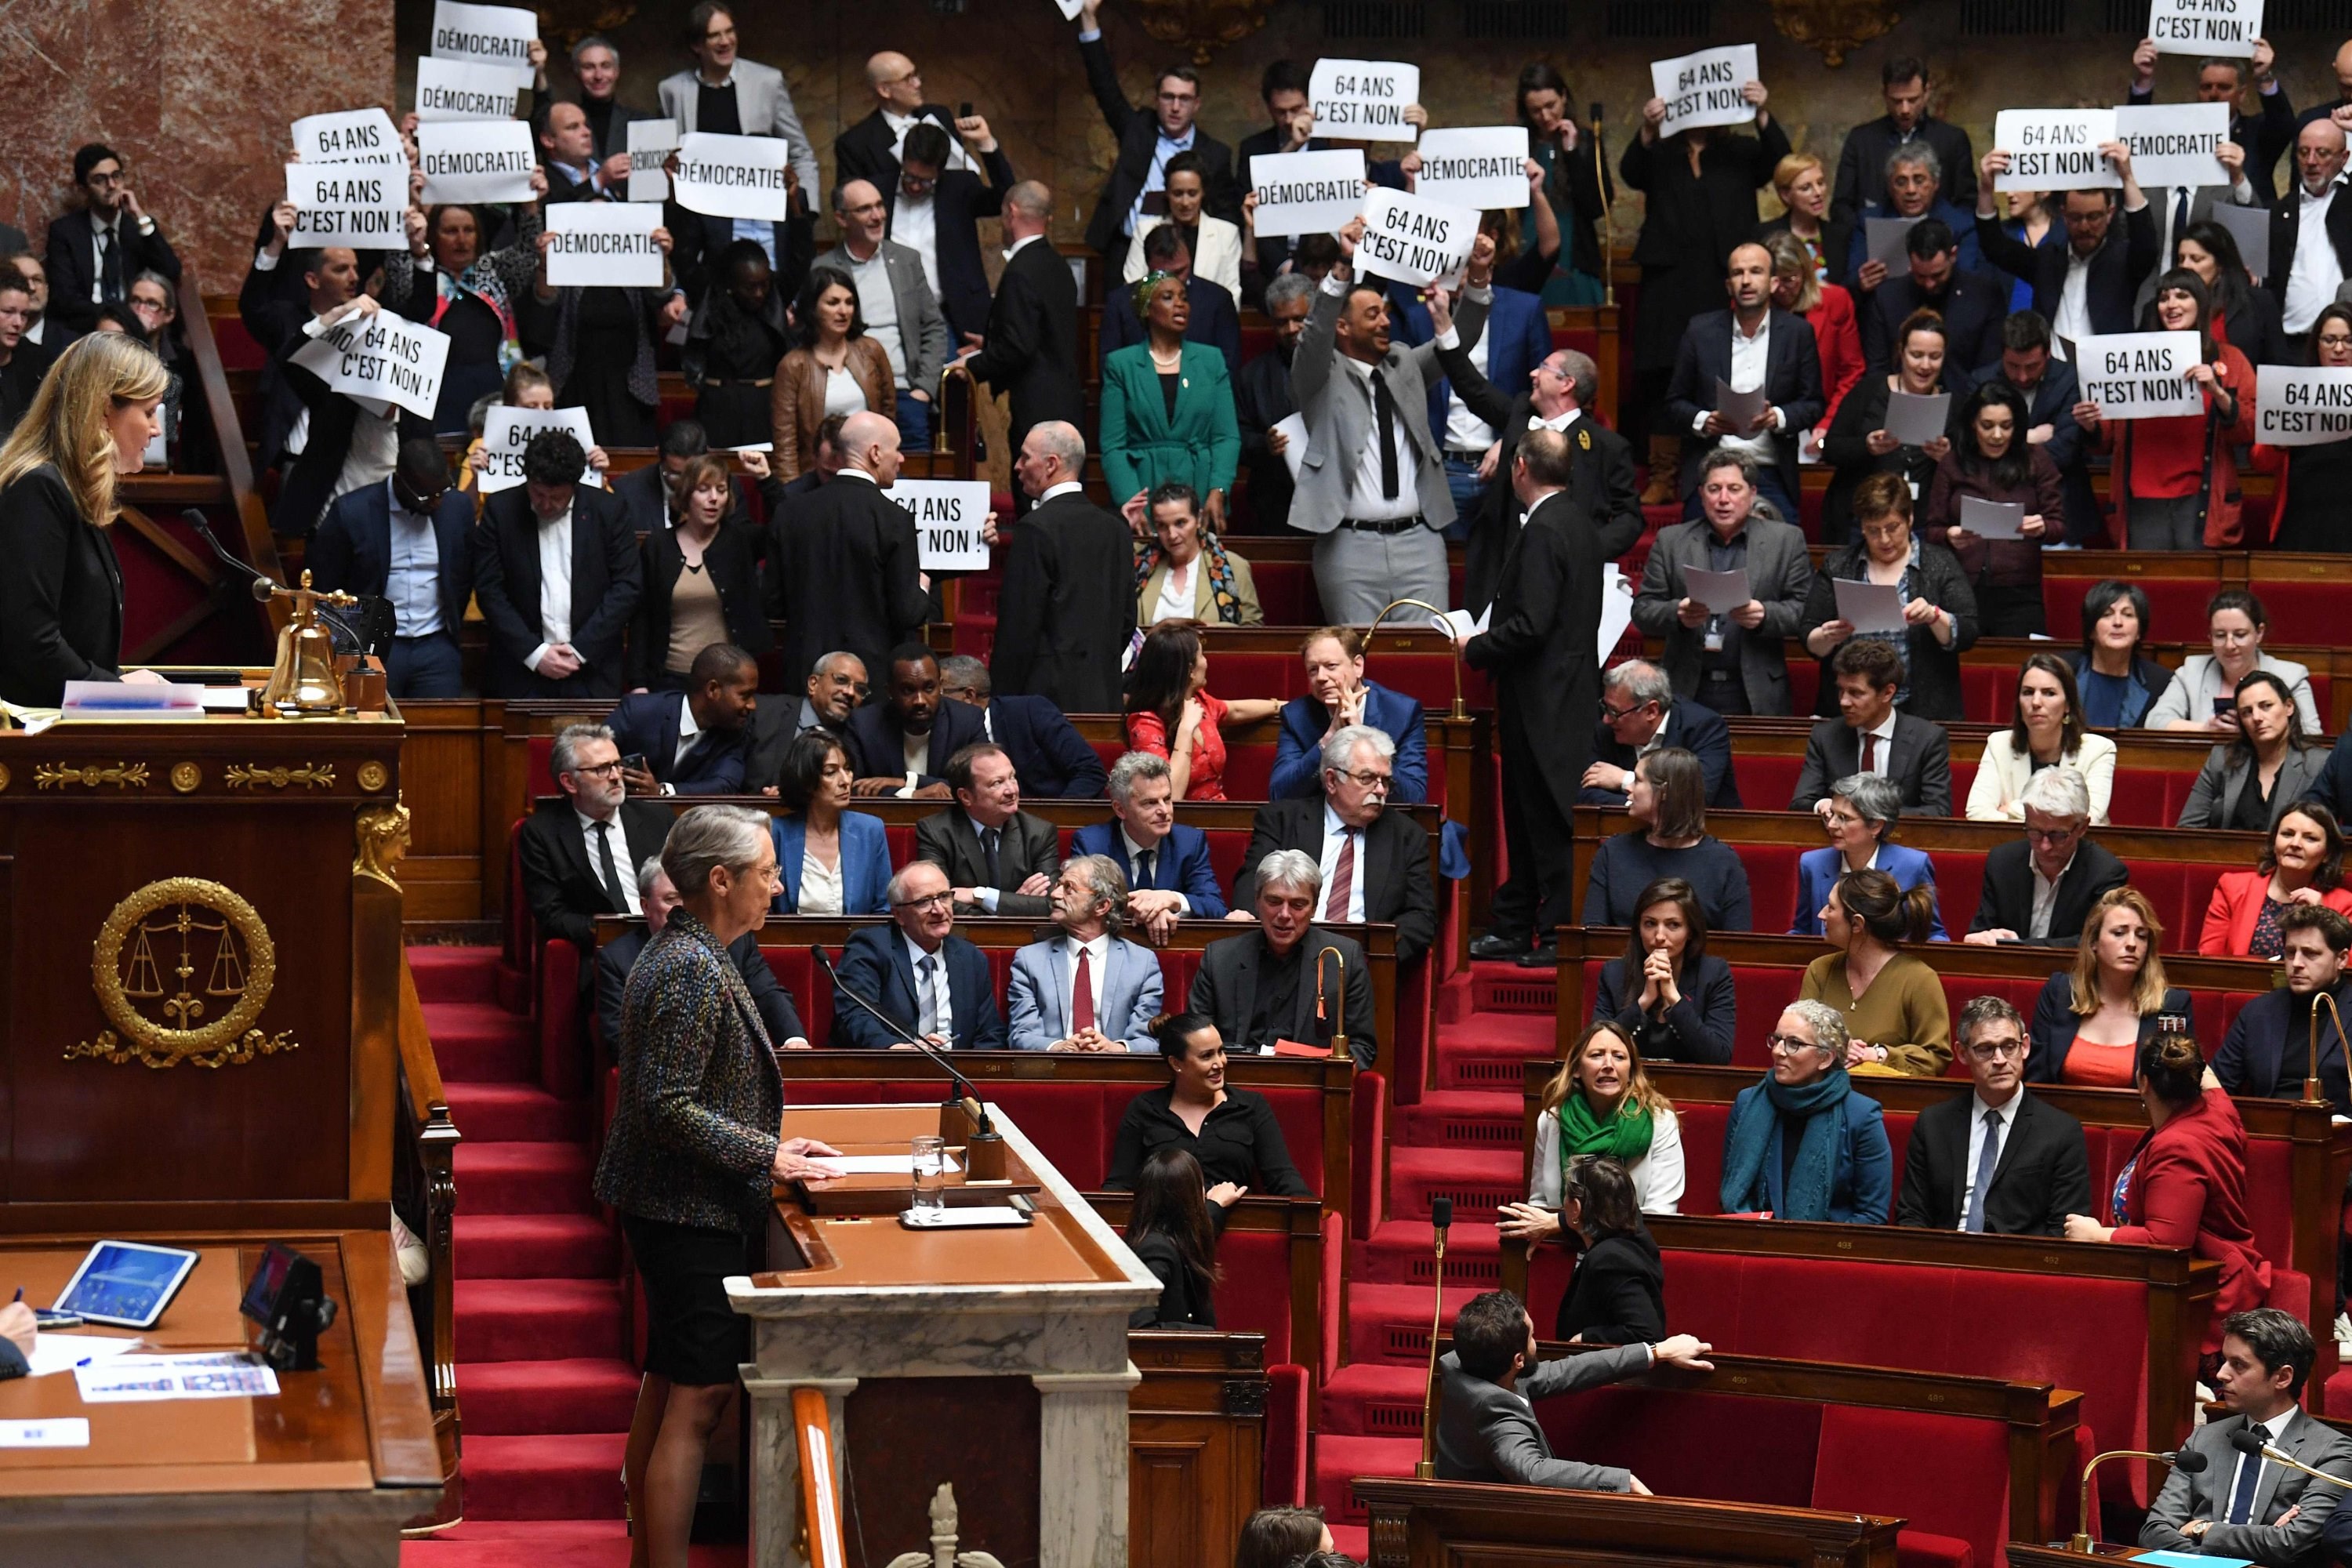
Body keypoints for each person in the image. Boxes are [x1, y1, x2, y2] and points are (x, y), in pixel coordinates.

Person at [592, 806, 844, 1568]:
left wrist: (771, 1146)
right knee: (697, 1401)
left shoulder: (698, 953)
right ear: (721, 879)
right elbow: (666, 1105)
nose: (778, 884)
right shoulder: (691, 967)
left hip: (680, 1200)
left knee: (668, 1379)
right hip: (683, 1209)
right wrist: (769, 1156)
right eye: (767, 871)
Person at [1287, 227, 1488, 622]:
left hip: (1421, 543)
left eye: (1385, 312)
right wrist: (1343, 267)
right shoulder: (1318, 375)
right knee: (1357, 668)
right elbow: (1314, 335)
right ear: (1343, 328)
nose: (1385, 322)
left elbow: (1457, 343)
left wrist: (1479, 279)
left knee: (1424, 659)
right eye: (1372, 314)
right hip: (1349, 545)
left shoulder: (1404, 363)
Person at [1620, 74, 1791, 508]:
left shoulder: (1739, 151)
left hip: (1721, 276)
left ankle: (1722, 467)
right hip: (1668, 277)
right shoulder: (1661, 152)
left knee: (1717, 366)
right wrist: (1648, 128)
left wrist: (1762, 111)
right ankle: (1663, 472)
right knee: (1661, 369)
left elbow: (1779, 160)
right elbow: (1630, 172)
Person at [1423, 294, 1639, 619]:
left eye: (1544, 368)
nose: (1533, 375)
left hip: (1565, 580)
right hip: (1502, 570)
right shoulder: (1519, 416)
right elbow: (1472, 387)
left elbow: (1630, 517)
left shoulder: (1605, 446)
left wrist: (1587, 546)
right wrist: (1443, 324)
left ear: (1567, 384)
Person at [2063, 1033, 2270, 1356]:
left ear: (2143, 1082)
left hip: (2201, 1300)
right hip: (2208, 1281)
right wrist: (2179, 1045)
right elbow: (2210, 1079)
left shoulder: (2176, 1149)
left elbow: (2167, 1240)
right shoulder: (2218, 1109)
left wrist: (2098, 1235)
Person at [0, 332, 169, 705]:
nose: (157, 429)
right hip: (32, 747)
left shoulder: (71, 490)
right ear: (106, 409)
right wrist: (117, 694)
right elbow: (31, 642)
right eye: (148, 411)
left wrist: (117, 684)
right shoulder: (38, 488)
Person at [1435, 1288, 1715, 1491]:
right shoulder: (1493, 1413)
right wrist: (1622, 1481)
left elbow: (1566, 1371)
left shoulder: (1469, 1361)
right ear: (1518, 1360)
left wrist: (1656, 1351)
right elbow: (1533, 1472)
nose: (1537, 1341)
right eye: (1532, 1336)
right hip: (1485, 1529)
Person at [2153, 1309, 2352, 1566]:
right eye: (2225, 1361)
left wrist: (2203, 1529)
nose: (2222, 1374)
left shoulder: (2332, 1452)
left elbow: (2290, 1543)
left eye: (2238, 1365)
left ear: (2282, 1377)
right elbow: (2156, 1531)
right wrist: (2212, 1562)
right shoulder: (2204, 1438)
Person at [1232, 726, 1439, 968]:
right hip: (1284, 956)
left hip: (1365, 965)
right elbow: (1252, 883)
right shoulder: (1282, 821)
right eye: (1367, 778)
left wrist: (1377, 954)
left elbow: (1421, 916)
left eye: (1385, 781)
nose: (1381, 790)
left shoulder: (1406, 836)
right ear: (1332, 780)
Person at [1632, 450, 1816, 717]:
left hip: (1755, 686)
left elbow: (1806, 611)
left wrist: (1765, 615)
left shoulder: (1785, 541)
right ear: (1701, 493)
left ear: (1752, 493)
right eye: (1714, 489)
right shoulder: (1672, 541)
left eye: (1734, 489)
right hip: (1688, 684)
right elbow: (1643, 611)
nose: (1723, 500)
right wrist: (1678, 613)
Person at [2084, 269, 2256, 549]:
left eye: (2182, 296)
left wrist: (2218, 392)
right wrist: (2091, 423)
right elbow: (2105, 439)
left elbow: (2252, 426)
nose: (2171, 304)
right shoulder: (2129, 358)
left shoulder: (2230, 359)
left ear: (2201, 304)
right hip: (2141, 497)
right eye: (2164, 298)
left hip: (2200, 497)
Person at [1895, 996, 2091, 1234]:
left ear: (2025, 1046)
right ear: (1962, 1053)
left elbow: (2062, 1227)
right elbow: (1912, 1215)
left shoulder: (2061, 1132)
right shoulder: (1933, 1124)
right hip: (1945, 1258)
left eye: (2009, 1046)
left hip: (2019, 1264)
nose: (2000, 1060)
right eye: (1985, 1049)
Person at [471, 430, 642, 699]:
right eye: (538, 494)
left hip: (592, 672)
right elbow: (489, 590)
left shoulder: (608, 510)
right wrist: (535, 653)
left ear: (574, 485)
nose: (546, 505)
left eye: (557, 497)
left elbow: (626, 587)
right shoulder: (501, 509)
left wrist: (580, 650)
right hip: (520, 671)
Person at [1662, 241, 1824, 522]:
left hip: (1770, 472)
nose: (1746, 281)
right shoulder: (1700, 331)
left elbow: (1813, 403)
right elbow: (1674, 402)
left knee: (1785, 554)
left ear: (1773, 283)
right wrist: (1704, 420)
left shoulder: (1797, 333)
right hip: (1713, 467)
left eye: (1756, 271)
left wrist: (1779, 417)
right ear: (1728, 285)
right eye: (1738, 273)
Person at [773, 411, 931, 693]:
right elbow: (907, 614)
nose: (902, 458)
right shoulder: (894, 520)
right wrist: (922, 587)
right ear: (875, 453)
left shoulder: (789, 513)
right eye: (898, 449)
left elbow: (771, 601)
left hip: (805, 676)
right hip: (869, 682)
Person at [1798, 474, 1976, 721]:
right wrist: (1828, 636)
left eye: (1893, 528)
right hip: (1851, 710)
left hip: (1923, 709)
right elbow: (1809, 638)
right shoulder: (1838, 565)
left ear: (1909, 519)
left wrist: (1935, 617)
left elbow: (1967, 632)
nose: (1884, 540)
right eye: (1873, 531)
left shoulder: (1940, 563)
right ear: (1861, 526)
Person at [306, 437, 473, 700]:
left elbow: (462, 577)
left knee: (441, 728)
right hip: (372, 646)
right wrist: (348, 652)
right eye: (427, 496)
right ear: (399, 480)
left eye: (442, 492)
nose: (437, 503)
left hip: (436, 646)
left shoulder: (457, 508)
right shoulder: (352, 512)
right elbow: (328, 587)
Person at [597, 855, 808, 1057]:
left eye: (686, 899)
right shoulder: (618, 959)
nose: (681, 908)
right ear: (646, 906)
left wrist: (793, 1038)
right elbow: (619, 1038)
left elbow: (768, 992)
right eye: (671, 899)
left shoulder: (735, 942)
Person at [1071, 0, 1236, 256]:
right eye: (1169, 97)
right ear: (1156, 100)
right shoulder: (1137, 129)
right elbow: (1104, 86)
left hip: (1184, 254)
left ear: (1197, 105)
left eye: (1185, 99)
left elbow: (1226, 215)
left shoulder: (1215, 154)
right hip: (1126, 250)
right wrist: (1089, 19)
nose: (1175, 107)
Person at [991, 423, 1135, 713]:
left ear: (1051, 465)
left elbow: (1018, 630)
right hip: (1104, 696)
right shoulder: (1116, 529)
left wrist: (998, 701)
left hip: (1044, 704)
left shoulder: (1034, 529)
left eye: (1025, 457)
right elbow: (1127, 622)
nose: (1018, 467)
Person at [1188, 849, 1376, 1066]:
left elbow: (1362, 1048)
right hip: (1231, 1082)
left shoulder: (1344, 958)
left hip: (1309, 1086)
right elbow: (1194, 1041)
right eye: (1274, 901)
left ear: (1314, 908)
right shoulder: (1220, 958)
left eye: (1298, 905)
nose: (1285, 915)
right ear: (1257, 901)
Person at [1719, 1000, 1893, 1223]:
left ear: (1826, 1058)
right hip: (1755, 1244)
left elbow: (1872, 1216)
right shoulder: (1747, 1103)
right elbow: (1731, 1191)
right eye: (1777, 1040)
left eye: (1794, 1044)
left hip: (1827, 1250)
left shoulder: (1862, 1116)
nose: (1779, 1052)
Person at [1104, 1012, 1311, 1195]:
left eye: (1220, 1051)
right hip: (1166, 1229)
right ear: (1176, 1063)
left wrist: (1309, 1212)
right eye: (1206, 1056)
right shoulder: (1145, 1109)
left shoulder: (1251, 1106)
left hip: (1234, 1224)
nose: (1219, 1063)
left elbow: (1281, 1177)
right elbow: (1120, 1184)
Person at [1515, 1019, 1689, 1233]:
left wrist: (1563, 1224)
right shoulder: (1552, 1120)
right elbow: (1540, 1203)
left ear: (1631, 1070)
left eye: (1619, 1056)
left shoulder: (1660, 1122)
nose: (1609, 1065)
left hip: (1630, 1253)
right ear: (1577, 1068)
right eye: (1597, 1055)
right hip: (1564, 1247)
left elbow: (1660, 1216)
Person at [1973, 150, 2159, 347]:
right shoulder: (2046, 260)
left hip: (2105, 370)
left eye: (2094, 216)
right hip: (2054, 371)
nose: (2085, 227)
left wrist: (2127, 178)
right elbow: (1994, 246)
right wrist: (1986, 188)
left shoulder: (2123, 261)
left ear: (2110, 214)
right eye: (2076, 218)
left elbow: (2146, 244)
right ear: (2064, 215)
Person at [960, 180, 1084, 474]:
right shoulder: (1057, 264)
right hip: (1066, 402)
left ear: (1011, 213)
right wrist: (991, 343)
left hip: (1035, 409)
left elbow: (1018, 347)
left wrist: (970, 365)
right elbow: (1045, 332)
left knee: (1034, 493)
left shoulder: (1020, 270)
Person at [1922, 380, 2063, 637]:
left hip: (2020, 591)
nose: (1997, 435)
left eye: (2006, 426)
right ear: (1973, 424)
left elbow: (2058, 526)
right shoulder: (1953, 463)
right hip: (1960, 587)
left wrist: (2041, 527)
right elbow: (1932, 529)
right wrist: (1949, 535)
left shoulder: (2037, 459)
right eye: (1987, 426)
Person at [518, 723, 673, 956]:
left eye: (617, 765)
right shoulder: (542, 833)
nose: (615, 776)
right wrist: (617, 935)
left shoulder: (657, 819)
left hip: (667, 943)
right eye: (602, 769)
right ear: (569, 782)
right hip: (601, 953)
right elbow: (553, 916)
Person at [1101, 273, 1240, 530]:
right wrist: (1132, 501)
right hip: (1143, 489)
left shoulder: (1211, 361)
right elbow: (1113, 445)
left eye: (1184, 298)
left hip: (1200, 489)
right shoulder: (1121, 364)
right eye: (1168, 297)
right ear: (1147, 310)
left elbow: (1226, 437)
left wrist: (1218, 490)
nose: (1180, 304)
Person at [817, 181, 948, 449]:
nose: (877, 216)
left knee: (912, 483)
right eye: (865, 209)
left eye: (879, 205)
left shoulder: (906, 260)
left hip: (906, 396)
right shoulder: (824, 268)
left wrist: (923, 389)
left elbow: (934, 326)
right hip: (851, 397)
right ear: (842, 218)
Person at [827, 860, 1008, 1051]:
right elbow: (855, 1015)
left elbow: (990, 1033)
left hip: (955, 1072)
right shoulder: (870, 948)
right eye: (924, 902)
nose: (939, 910)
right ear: (899, 915)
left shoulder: (970, 958)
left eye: (944, 897)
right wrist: (895, 1047)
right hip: (892, 1070)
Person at [1820, 309, 1962, 546]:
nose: (1925, 365)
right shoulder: (1869, 391)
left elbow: (1969, 469)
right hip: (1864, 519)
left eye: (1934, 356)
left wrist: (1947, 457)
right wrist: (1867, 447)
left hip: (1922, 523)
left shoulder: (1954, 405)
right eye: (1916, 355)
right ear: (1902, 353)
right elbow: (1832, 447)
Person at [631, 454, 770, 694]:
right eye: (703, 490)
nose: (714, 499)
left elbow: (786, 524)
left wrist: (765, 479)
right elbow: (642, 617)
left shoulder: (740, 541)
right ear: (686, 495)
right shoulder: (659, 546)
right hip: (669, 679)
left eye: (721, 490)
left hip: (729, 681)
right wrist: (638, 683)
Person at [2031, 887, 2192, 1086]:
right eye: (2119, 933)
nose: (2132, 943)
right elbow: (2036, 1077)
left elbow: (2176, 1085)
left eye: (2141, 936)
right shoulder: (2060, 993)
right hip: (2059, 1114)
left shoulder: (2171, 1006)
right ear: (2094, 942)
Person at [654, 2, 820, 196]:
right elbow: (663, 160)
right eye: (714, 35)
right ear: (696, 45)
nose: (725, 41)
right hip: (698, 213)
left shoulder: (767, 82)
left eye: (729, 31)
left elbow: (800, 153)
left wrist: (806, 206)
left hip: (755, 208)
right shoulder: (671, 91)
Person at [1799, 869, 1952, 1077]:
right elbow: (1797, 1041)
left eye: (1831, 908)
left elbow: (1936, 1058)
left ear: (1857, 924)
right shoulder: (1819, 970)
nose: (1821, 915)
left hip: (1890, 1101)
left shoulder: (1919, 979)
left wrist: (1878, 1054)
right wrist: (1836, 1050)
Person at [1584, 748, 1752, 933]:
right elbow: (1593, 936)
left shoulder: (1723, 862)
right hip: (1626, 961)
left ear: (1664, 791)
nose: (1629, 788)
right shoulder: (1613, 852)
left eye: (1638, 780)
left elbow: (1738, 945)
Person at [1969, 309, 2100, 545]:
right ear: (2002, 356)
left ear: (2047, 354)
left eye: (2031, 366)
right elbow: (1972, 448)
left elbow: (2064, 452)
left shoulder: (2071, 379)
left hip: (2058, 513)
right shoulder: (1981, 381)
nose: (2021, 376)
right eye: (2013, 366)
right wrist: (2029, 437)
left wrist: (2000, 445)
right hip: (1994, 510)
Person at [1007, 856, 1163, 1053]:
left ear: (1101, 906)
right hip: (1053, 1071)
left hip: (1116, 1069)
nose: (1054, 894)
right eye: (1058, 885)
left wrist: (1115, 1048)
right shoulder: (1030, 960)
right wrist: (1059, 1047)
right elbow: (1021, 1035)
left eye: (1069, 888)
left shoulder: (1142, 963)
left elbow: (1149, 1040)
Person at [1788, 638, 1956, 815]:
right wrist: (1822, 804)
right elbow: (1801, 803)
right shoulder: (1825, 736)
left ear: (1887, 693)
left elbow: (1938, 811)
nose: (1844, 701)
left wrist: (1869, 817)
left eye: (1856, 693)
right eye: (1841, 690)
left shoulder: (1927, 739)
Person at [1072, 751, 1229, 940]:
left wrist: (1170, 899)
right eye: (1150, 803)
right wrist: (1148, 910)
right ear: (1120, 809)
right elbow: (1081, 906)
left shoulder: (1189, 842)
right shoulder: (1092, 844)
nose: (1164, 810)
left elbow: (1215, 906)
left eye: (1167, 799)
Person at [1965, 767, 2129, 946]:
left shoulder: (2106, 873)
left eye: (2058, 835)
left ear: (2082, 827)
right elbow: (1980, 930)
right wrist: (1982, 938)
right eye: (2035, 832)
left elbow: (2095, 942)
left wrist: (2019, 945)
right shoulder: (2002, 862)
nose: (2045, 846)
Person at [2216, 904, 2352, 1115]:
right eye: (2290, 953)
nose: (2296, 963)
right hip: (2268, 1132)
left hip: (2338, 1139)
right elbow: (2219, 1087)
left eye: (2310, 954)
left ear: (2341, 959)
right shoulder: (2258, 1012)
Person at [1123, 620, 1280, 802]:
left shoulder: (1199, 700)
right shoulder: (1145, 724)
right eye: (1202, 656)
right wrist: (1186, 730)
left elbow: (1235, 710)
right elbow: (1169, 797)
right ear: (1190, 670)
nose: (1206, 662)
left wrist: (1282, 706)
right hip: (1179, 823)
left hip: (1217, 814)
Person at [891, 118, 1016, 346]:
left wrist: (986, 144)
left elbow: (1006, 197)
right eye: (909, 177)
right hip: (890, 316)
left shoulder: (959, 188)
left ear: (940, 172)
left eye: (926, 181)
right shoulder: (880, 190)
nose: (916, 186)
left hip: (949, 317)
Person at [1587, 879, 1736, 1066]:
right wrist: (1644, 1002)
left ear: (1690, 931)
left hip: (1691, 1089)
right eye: (1650, 924)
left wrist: (1674, 999)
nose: (1659, 936)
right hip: (1626, 1088)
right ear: (1638, 928)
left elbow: (1718, 1057)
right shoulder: (1614, 974)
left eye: (1673, 925)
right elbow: (1595, 1051)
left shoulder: (1714, 975)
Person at [1272, 628, 1427, 804]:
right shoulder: (1296, 716)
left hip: (1383, 822)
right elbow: (1279, 794)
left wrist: (1363, 737)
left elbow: (1414, 796)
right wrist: (1327, 741)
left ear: (1358, 666)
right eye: (1313, 670)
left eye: (1331, 666)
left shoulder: (1401, 712)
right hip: (1321, 823)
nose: (1321, 678)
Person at [42, 144, 181, 338]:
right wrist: (113, 318)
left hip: (136, 329)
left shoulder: (137, 229)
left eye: (116, 176)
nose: (112, 185)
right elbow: (64, 298)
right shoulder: (66, 232)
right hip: (83, 329)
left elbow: (171, 272)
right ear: (83, 189)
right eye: (100, 180)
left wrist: (140, 216)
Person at [1790, 772, 1947, 942]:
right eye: (1832, 814)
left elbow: (1934, 934)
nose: (1831, 825)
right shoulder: (1813, 864)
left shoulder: (1914, 865)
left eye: (1844, 818)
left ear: (1876, 826)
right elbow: (1802, 932)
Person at [913, 742, 1061, 919]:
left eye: (1012, 777)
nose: (1012, 790)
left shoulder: (1039, 833)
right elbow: (936, 904)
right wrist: (1016, 903)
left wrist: (980, 895)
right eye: (997, 783)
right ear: (966, 796)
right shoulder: (936, 832)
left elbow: (1053, 904)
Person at [1966, 655, 2118, 825]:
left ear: (2068, 705)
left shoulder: (2098, 750)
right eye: (2028, 692)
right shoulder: (1999, 744)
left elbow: (2090, 819)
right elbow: (1977, 814)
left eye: (2049, 693)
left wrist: (2012, 809)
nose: (2036, 702)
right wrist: (2060, 816)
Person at [771, 266, 891, 481]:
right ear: (813, 308)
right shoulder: (793, 365)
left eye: (849, 302)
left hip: (868, 473)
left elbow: (888, 419)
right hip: (816, 477)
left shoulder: (872, 352)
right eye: (833, 303)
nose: (843, 311)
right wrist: (790, 494)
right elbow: (785, 444)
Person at [2151, 590, 2322, 735]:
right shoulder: (2192, 671)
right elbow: (2155, 722)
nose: (2230, 645)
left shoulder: (2291, 676)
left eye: (2240, 635)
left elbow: (2311, 735)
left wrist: (2254, 731)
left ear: (2259, 633)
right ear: (2209, 637)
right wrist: (2205, 729)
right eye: (2220, 635)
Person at [937, 655, 1107, 800]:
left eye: (941, 693)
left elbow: (1090, 771)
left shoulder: (1030, 712)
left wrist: (1056, 817)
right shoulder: (946, 731)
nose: (934, 702)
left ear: (969, 695)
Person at [1831, 59, 1979, 227]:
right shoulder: (1861, 140)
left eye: (1913, 100)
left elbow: (1967, 204)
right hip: (1873, 242)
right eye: (1897, 101)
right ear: (1884, 95)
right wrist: (1864, 235)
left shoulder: (1952, 139)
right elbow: (1841, 206)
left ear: (1927, 92)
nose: (1905, 110)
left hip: (1939, 242)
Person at [2254, 303, 2352, 552]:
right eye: (2329, 340)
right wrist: (2278, 443)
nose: (2339, 349)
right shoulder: (2293, 390)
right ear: (2316, 343)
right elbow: (2260, 462)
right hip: (2301, 520)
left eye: (2348, 340)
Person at [2180, 672, 2328, 833]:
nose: (2257, 717)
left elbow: (2329, 833)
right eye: (2247, 712)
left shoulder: (2318, 764)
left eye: (2266, 706)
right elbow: (2188, 829)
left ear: (2288, 707)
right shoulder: (2221, 759)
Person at [2201, 803, 2352, 959]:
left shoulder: (2345, 905)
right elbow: (2210, 959)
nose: (2295, 844)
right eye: (2287, 834)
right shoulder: (2233, 887)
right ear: (2274, 843)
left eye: (2310, 838)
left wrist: (2323, 919)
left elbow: (2347, 965)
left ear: (2327, 854)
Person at [606, 644, 758, 797]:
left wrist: (662, 791)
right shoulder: (639, 712)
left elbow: (725, 784)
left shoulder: (736, 729)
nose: (753, 705)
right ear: (712, 690)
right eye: (745, 695)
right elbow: (591, 757)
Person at [1581, 661, 1737, 811]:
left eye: (1615, 712)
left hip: (1705, 832)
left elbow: (1695, 797)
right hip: (1624, 832)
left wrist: (1626, 780)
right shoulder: (1607, 731)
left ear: (1651, 711)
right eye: (1605, 708)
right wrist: (1638, 807)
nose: (1607, 719)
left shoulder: (1704, 728)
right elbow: (1588, 794)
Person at [681, 241, 793, 448]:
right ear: (730, 284)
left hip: (763, 409)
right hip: (717, 409)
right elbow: (685, 263)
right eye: (750, 287)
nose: (759, 293)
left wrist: (798, 216)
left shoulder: (772, 308)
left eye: (764, 285)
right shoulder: (711, 311)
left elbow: (799, 260)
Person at [1859, 221, 2005, 376]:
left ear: (1953, 255)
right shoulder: (1887, 298)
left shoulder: (1983, 296)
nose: (1929, 284)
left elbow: (1989, 370)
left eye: (1937, 275)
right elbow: (1877, 371)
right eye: (1920, 276)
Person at [768, 730, 889, 916]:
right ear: (806, 780)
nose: (845, 781)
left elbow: (884, 909)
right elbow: (763, 909)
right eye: (831, 772)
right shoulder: (776, 833)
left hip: (858, 943)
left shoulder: (870, 831)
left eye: (847, 769)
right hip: (793, 943)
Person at [845, 645, 986, 797]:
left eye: (929, 688)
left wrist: (910, 782)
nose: (920, 701)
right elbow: (852, 787)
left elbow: (982, 783)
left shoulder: (967, 720)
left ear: (940, 686)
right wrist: (912, 795)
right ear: (890, 691)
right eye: (908, 690)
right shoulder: (863, 724)